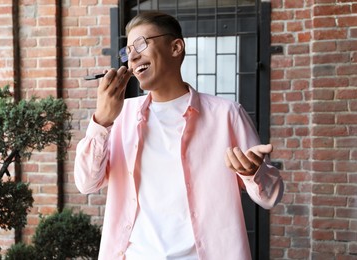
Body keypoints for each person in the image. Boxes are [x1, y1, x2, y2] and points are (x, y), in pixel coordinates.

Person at [74, 11, 283, 260]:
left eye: (141, 44)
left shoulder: (226, 115)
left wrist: (253, 172)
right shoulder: (120, 116)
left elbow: (271, 196)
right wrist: (102, 120)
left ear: (175, 47)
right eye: (127, 50)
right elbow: (86, 183)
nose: (132, 56)